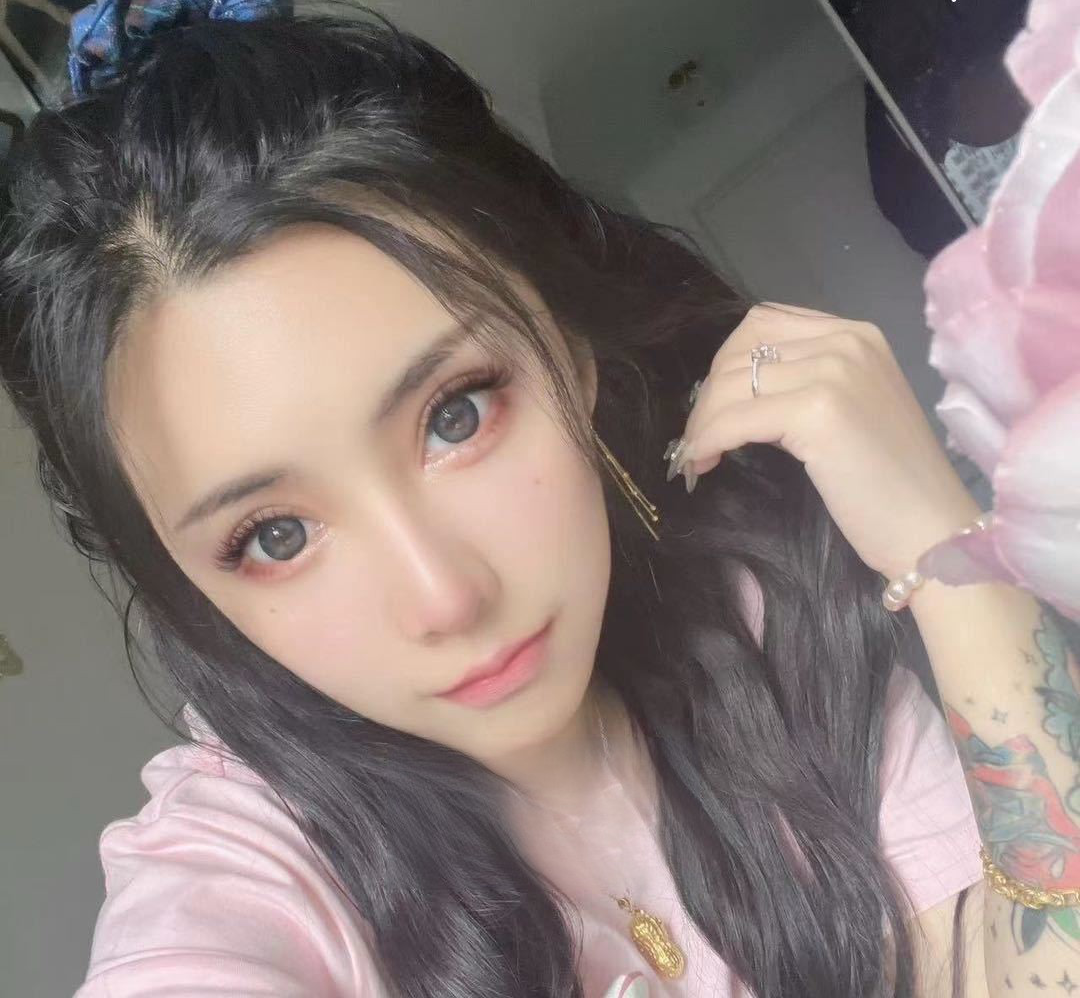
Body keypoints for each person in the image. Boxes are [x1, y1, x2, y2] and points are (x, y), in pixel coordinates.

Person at [0, 1, 1076, 995]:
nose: (444, 596)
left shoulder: (755, 623)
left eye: (456, 414)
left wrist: (942, 549)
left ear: (570, 349)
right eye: (275, 535)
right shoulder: (247, 869)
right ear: (189, 586)